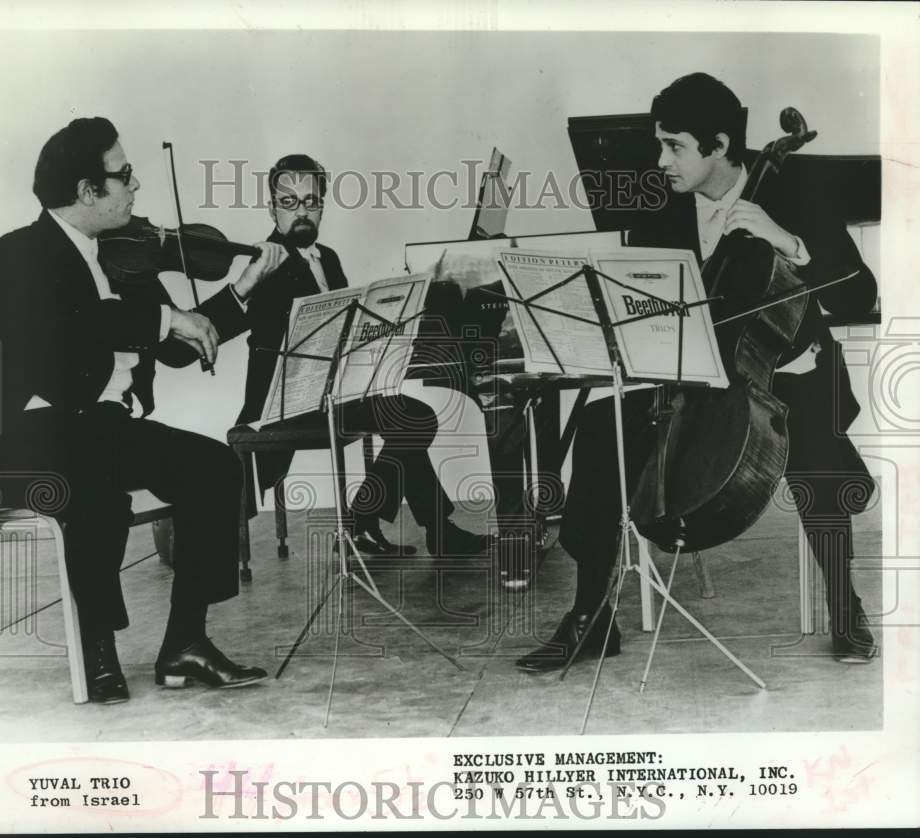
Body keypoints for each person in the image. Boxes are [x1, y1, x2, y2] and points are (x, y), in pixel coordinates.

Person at [517, 72, 879, 672]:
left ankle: (845, 605)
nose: (661, 160)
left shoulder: (794, 192)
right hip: (699, 380)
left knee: (816, 453)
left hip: (791, 375)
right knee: (601, 428)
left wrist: (787, 242)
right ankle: (591, 618)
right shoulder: (662, 207)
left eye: (674, 146)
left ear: (719, 145)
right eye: (659, 144)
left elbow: (858, 292)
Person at [0, 117, 287, 703]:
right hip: (30, 433)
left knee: (214, 466)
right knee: (96, 489)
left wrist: (245, 285)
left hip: (103, 426)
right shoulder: (18, 253)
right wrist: (164, 317)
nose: (135, 186)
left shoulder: (123, 257)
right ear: (88, 190)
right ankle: (97, 646)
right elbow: (68, 333)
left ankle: (185, 644)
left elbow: (180, 345)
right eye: (124, 175)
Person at [236, 153, 490, 557]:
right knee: (412, 419)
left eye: (311, 201)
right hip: (285, 402)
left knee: (411, 417)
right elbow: (271, 342)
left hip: (334, 392)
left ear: (322, 206)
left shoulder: (328, 258)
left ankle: (399, 526)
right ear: (272, 209)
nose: (301, 212)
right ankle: (374, 525)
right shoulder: (265, 263)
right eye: (289, 202)